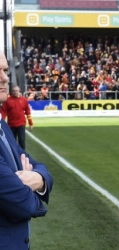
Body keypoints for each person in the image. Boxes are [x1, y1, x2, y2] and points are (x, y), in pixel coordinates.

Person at [0, 50, 53, 250]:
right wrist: (24, 186)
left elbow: (38, 165)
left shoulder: (1, 124)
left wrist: (38, 179)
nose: (4, 77)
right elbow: (23, 204)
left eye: (5, 70)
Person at [1, 85, 33, 150]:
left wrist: (30, 123)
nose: (15, 92)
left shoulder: (23, 100)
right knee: (12, 142)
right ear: (12, 92)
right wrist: (2, 123)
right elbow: (3, 112)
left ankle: (23, 154)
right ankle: (14, 155)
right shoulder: (7, 100)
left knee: (22, 140)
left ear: (19, 91)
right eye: (14, 91)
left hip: (21, 124)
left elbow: (28, 112)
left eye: (16, 91)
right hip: (11, 125)